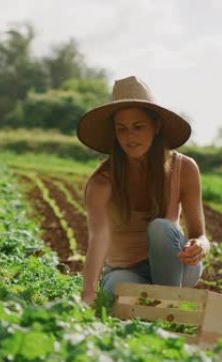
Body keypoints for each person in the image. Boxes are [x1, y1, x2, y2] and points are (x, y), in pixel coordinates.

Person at [76, 76, 209, 305]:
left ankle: (165, 302)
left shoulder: (184, 168)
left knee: (160, 227)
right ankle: (160, 302)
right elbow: (99, 238)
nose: (129, 137)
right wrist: (88, 293)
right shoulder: (102, 182)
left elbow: (200, 234)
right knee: (115, 288)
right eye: (122, 129)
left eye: (138, 127)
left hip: (175, 268)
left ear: (156, 126)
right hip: (126, 271)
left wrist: (199, 247)